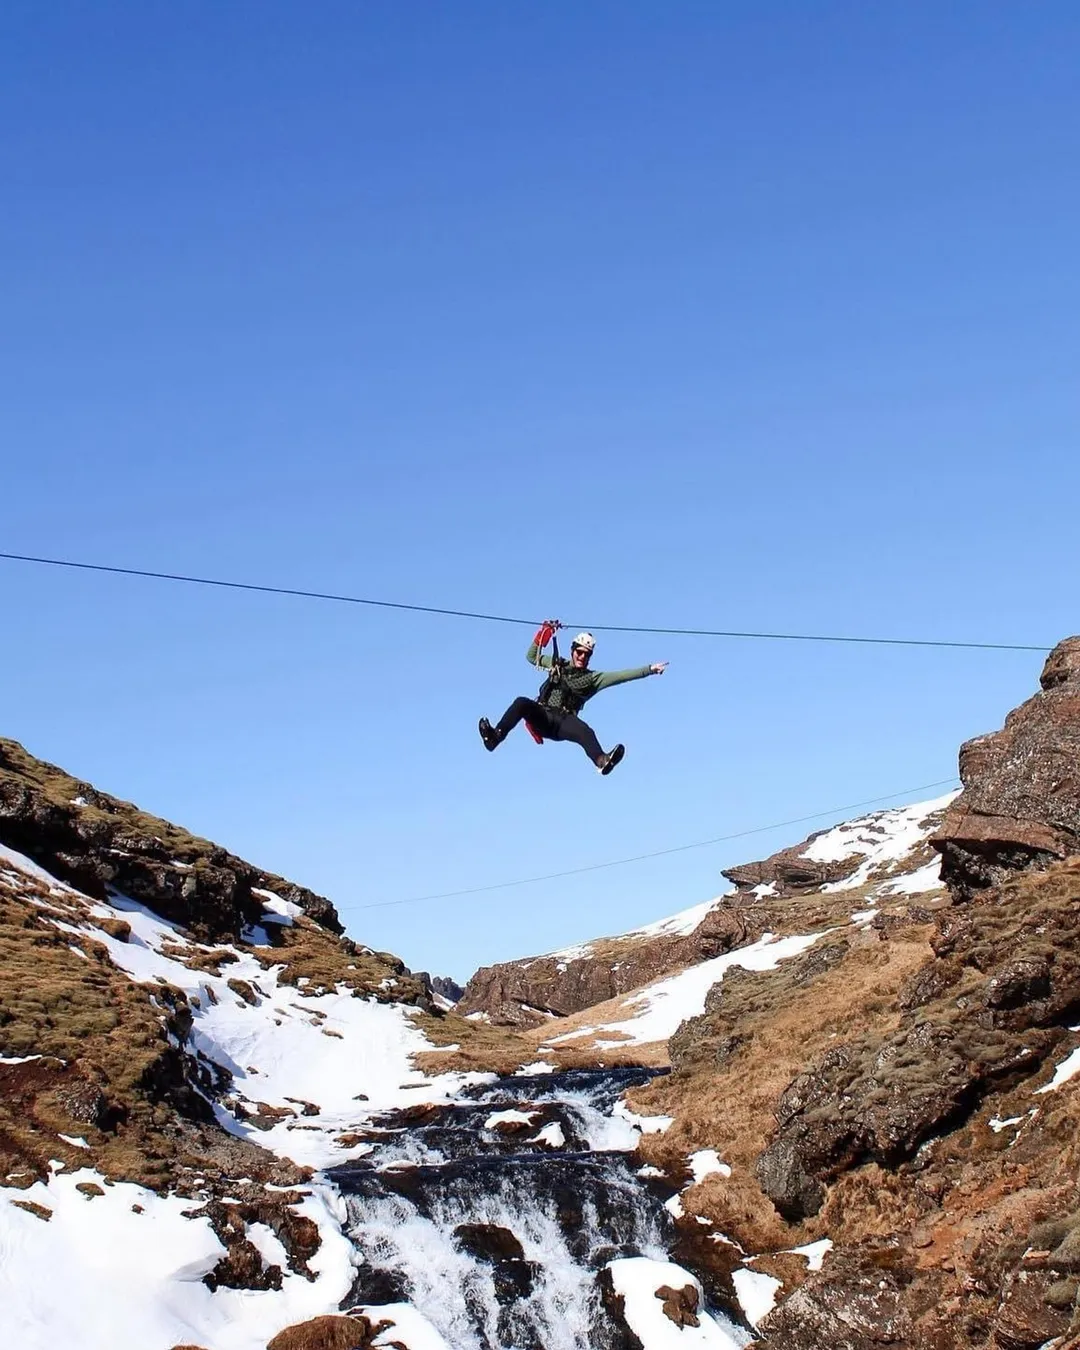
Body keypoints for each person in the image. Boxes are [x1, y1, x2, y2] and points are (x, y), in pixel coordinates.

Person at [479, 621, 668, 774]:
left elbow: (621, 676)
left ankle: (602, 760)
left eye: (587, 655)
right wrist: (543, 634)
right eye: (579, 652)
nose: (582, 657)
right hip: (543, 716)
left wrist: (650, 669)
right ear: (573, 650)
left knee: (586, 731)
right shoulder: (557, 665)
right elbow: (531, 656)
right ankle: (496, 736)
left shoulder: (593, 678)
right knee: (521, 702)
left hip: (563, 723)